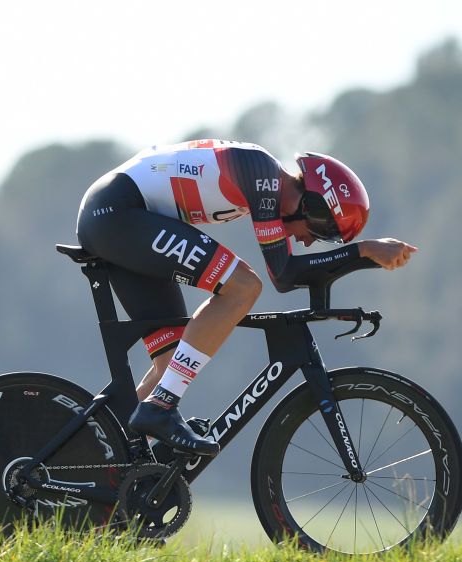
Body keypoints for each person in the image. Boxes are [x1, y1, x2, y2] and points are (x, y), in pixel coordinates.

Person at [76, 139, 417, 455]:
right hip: (117, 211)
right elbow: (283, 275)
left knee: (173, 360)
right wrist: (363, 250)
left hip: (124, 217)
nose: (311, 242)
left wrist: (360, 257)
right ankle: (160, 406)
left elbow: (292, 273)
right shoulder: (263, 175)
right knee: (243, 286)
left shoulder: (266, 184)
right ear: (311, 206)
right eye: (322, 232)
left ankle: (93, 453)